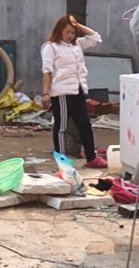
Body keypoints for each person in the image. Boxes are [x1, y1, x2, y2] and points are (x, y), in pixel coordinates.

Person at [41, 14, 106, 169]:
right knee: (61, 126)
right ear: (59, 31)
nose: (70, 36)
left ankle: (91, 157)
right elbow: (47, 71)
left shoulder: (77, 45)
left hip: (78, 90)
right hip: (61, 92)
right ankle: (61, 158)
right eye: (67, 32)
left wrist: (78, 25)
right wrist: (45, 93)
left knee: (85, 124)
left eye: (72, 32)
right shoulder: (51, 47)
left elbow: (95, 38)